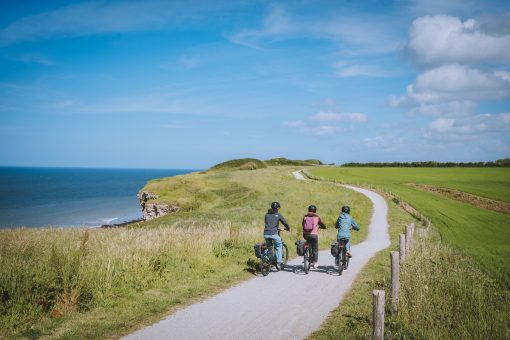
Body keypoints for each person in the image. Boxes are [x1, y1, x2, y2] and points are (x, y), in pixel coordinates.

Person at [264, 201, 290, 270]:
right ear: (277, 208)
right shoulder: (278, 215)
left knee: (269, 247)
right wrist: (288, 228)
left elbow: (267, 223)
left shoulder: (266, 214)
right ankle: (279, 263)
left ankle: (268, 260)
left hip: (266, 233)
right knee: (279, 245)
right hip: (274, 233)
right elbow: (284, 222)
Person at [302, 204, 326, 269]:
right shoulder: (317, 217)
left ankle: (305, 254)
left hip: (305, 235)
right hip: (314, 235)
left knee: (308, 242)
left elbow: (303, 225)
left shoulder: (305, 217)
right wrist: (323, 227)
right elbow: (322, 224)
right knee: (315, 248)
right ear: (315, 210)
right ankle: (315, 262)